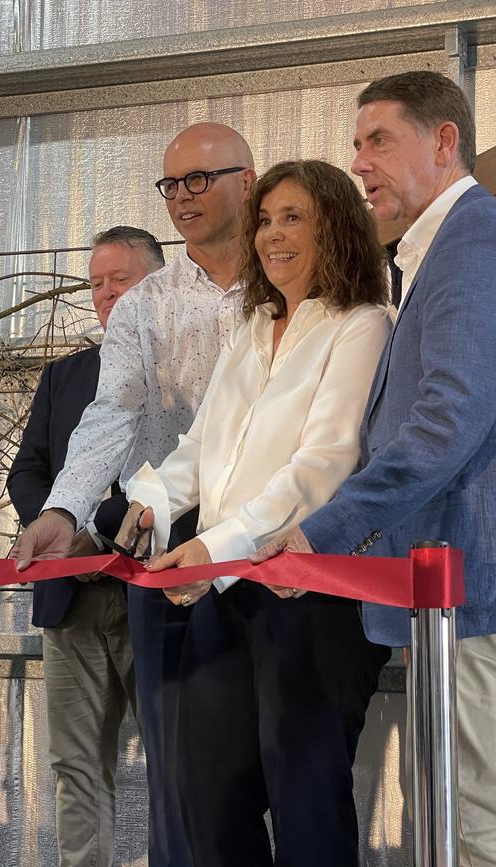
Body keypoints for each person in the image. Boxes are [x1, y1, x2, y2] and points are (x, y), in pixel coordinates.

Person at [118, 160, 393, 867]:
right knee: (203, 798)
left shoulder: (364, 323)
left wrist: (216, 547)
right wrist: (150, 501)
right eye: (265, 219)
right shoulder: (253, 329)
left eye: (292, 217)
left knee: (306, 803)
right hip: (229, 586)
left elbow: (323, 464)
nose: (271, 234)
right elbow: (202, 446)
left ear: (335, 225)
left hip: (311, 595)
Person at [252, 71, 496, 867]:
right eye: (356, 145)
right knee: (451, 819)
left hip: (471, 594)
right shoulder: (429, 253)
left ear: (444, 141)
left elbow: (447, 419)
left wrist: (323, 532)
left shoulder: (473, 238)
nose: (360, 163)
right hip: (440, 596)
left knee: (473, 825)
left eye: (379, 140)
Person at [11, 122, 257, 866]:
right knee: (176, 775)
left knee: (259, 768)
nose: (183, 197)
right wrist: (63, 511)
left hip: (265, 543)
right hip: (161, 555)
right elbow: (108, 417)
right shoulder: (148, 308)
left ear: (248, 179)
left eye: (200, 179)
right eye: (171, 183)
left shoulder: (289, 285)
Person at [7, 226, 164, 867]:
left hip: (153, 593)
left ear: (159, 285)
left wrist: (95, 528)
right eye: (96, 283)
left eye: (119, 280)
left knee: (177, 766)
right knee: (75, 769)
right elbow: (28, 472)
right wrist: (62, 535)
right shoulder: (63, 376)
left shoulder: (188, 369)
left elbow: (182, 471)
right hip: (68, 605)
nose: (104, 295)